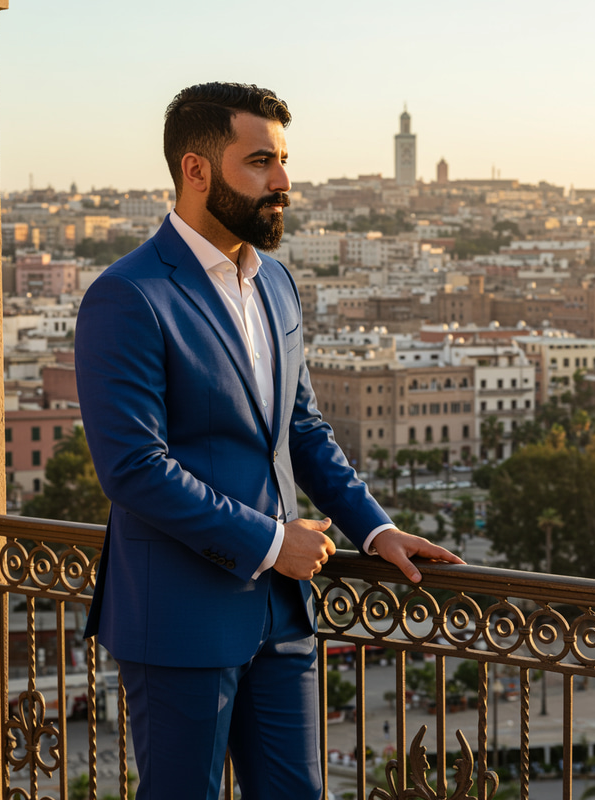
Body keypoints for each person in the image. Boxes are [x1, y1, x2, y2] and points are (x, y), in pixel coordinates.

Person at [74, 81, 464, 800]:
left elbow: (303, 428)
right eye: (260, 162)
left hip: (283, 616)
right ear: (196, 171)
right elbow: (133, 468)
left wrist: (375, 530)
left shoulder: (276, 282)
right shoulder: (127, 295)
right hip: (180, 619)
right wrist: (268, 541)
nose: (283, 182)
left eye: (283, 161)